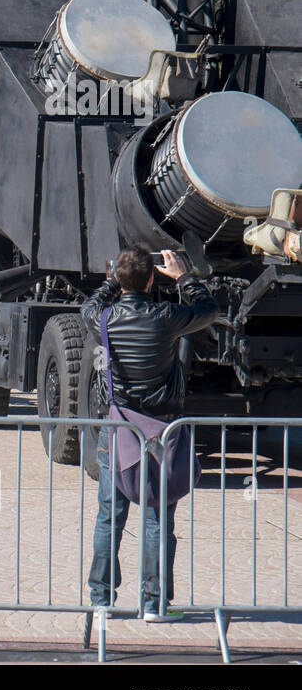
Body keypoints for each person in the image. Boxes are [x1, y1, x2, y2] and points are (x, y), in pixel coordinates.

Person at [81, 247, 217, 623]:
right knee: (158, 517)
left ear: (120, 280)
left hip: (119, 427)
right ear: (153, 278)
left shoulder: (104, 319)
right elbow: (209, 311)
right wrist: (185, 277)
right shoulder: (166, 317)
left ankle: (101, 599)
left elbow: (88, 307)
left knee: (110, 516)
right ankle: (154, 603)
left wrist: (112, 280)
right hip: (162, 429)